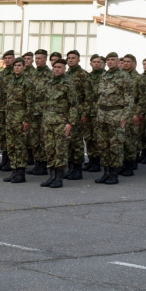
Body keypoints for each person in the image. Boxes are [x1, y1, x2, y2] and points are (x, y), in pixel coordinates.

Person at [93, 52, 133, 185]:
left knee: (115, 145)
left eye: (113, 60)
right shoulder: (104, 75)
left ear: (117, 61)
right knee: (103, 146)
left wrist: (125, 115)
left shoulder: (124, 76)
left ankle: (114, 174)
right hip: (102, 114)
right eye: (108, 60)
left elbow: (129, 98)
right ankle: (106, 172)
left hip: (116, 114)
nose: (110, 62)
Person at [39, 58, 78, 188]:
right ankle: (52, 176)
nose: (56, 69)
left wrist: (70, 123)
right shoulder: (49, 83)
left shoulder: (68, 84)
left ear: (64, 69)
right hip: (49, 120)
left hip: (62, 121)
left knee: (60, 150)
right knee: (49, 149)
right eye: (55, 67)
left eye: (59, 67)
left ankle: (59, 178)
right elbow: (46, 104)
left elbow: (73, 105)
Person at [1, 58, 34, 183]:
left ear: (24, 67)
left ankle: (21, 172)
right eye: (15, 65)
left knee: (20, 146)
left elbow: (30, 104)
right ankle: (14, 170)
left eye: (19, 65)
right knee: (11, 146)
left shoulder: (27, 83)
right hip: (10, 118)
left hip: (20, 118)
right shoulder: (10, 81)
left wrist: (27, 120)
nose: (16, 67)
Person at [64, 50, 91, 180]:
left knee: (77, 143)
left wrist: (85, 113)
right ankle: (70, 168)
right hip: (67, 113)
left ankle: (77, 169)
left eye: (73, 58)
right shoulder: (66, 74)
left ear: (79, 60)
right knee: (67, 141)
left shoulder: (83, 75)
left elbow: (89, 97)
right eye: (69, 58)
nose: (70, 60)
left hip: (79, 113)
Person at [26, 49, 52, 176]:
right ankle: (37, 163)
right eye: (36, 58)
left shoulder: (50, 74)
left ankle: (44, 164)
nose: (37, 61)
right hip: (33, 110)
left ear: (45, 59)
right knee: (34, 138)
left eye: (40, 58)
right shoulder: (32, 73)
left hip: (44, 111)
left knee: (44, 139)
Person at [120, 54, 145, 175]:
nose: (125, 63)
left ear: (134, 63)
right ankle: (122, 164)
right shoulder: (120, 77)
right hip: (121, 112)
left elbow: (143, 99)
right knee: (121, 139)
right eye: (124, 61)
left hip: (132, 112)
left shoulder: (139, 78)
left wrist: (137, 113)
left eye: (128, 62)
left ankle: (130, 165)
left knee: (131, 140)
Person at [84, 54, 105, 172]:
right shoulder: (88, 76)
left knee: (98, 137)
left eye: (98, 62)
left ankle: (98, 161)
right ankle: (91, 159)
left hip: (100, 111)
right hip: (89, 110)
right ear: (90, 63)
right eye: (94, 62)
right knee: (88, 137)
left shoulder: (105, 76)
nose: (96, 64)